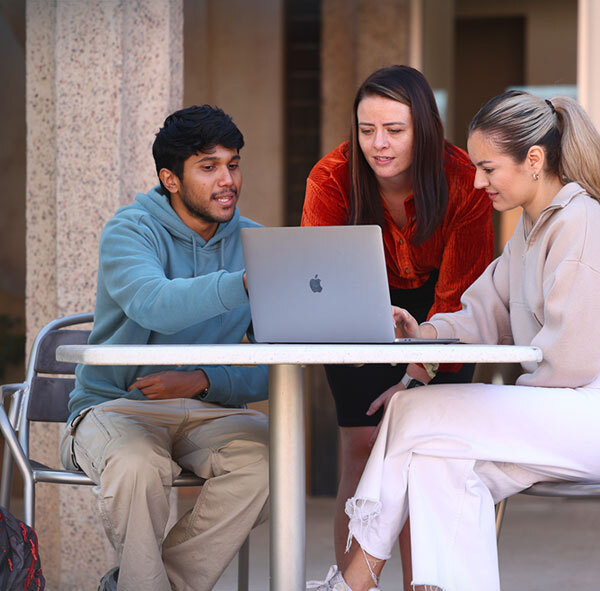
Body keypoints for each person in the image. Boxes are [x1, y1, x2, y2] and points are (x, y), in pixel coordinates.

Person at [309, 90, 600, 591]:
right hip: (554, 415)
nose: (476, 180)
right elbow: (482, 312)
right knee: (432, 462)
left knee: (414, 413)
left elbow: (571, 363)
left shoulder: (581, 224)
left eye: (487, 168)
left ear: (533, 160)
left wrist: (486, 415)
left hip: (583, 413)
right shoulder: (529, 231)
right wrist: (423, 333)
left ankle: (353, 582)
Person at [61, 105, 269, 591]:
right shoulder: (130, 231)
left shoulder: (258, 244)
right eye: (209, 166)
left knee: (270, 466)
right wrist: (243, 282)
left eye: (233, 164)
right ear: (170, 179)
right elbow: (153, 304)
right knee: (137, 466)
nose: (227, 180)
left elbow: (278, 363)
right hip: (117, 407)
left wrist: (205, 378)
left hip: (212, 410)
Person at [302, 65, 494, 587]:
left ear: (425, 128)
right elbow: (317, 274)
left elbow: (463, 297)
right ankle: (351, 583)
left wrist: (417, 370)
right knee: (363, 447)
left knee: (425, 453)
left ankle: (421, 584)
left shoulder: (464, 179)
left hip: (443, 311)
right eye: (367, 131)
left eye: (394, 130)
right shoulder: (332, 175)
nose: (378, 145)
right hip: (357, 308)